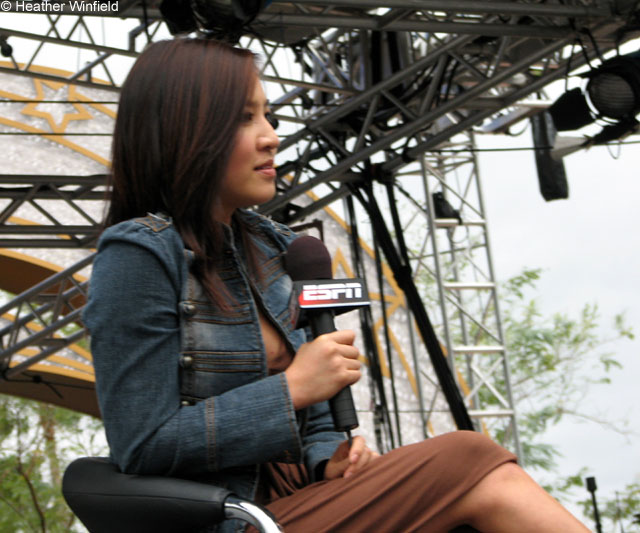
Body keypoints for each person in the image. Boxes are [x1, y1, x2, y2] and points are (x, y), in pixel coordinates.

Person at [83, 38, 590, 533]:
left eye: (268, 116)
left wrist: (330, 461)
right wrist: (291, 388)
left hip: (297, 502)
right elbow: (142, 445)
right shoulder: (140, 255)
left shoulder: (278, 248)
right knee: (469, 458)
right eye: (244, 118)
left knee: (475, 493)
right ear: (184, 130)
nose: (270, 137)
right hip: (227, 519)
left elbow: (320, 423)